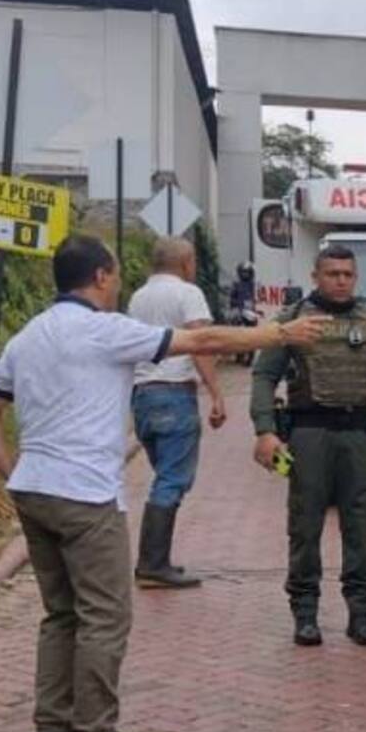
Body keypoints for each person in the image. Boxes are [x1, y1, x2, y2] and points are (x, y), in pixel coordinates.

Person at [0, 234, 325, 732]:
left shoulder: (30, 334)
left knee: (60, 614)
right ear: (103, 277)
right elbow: (201, 337)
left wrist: (13, 471)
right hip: (84, 495)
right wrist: (280, 332)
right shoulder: (103, 331)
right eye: (113, 277)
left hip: (34, 492)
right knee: (104, 617)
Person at [250, 243, 366, 647]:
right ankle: (305, 613)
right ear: (316, 276)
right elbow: (263, 376)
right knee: (305, 526)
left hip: (360, 434)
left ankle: (361, 614)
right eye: (332, 274)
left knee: (361, 527)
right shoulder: (292, 321)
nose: (341, 281)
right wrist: (265, 430)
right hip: (310, 434)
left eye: (347, 274)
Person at [128, 237, 226, 588]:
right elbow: (202, 344)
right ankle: (152, 564)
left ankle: (157, 560)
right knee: (171, 480)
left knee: (164, 476)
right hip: (174, 393)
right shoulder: (188, 294)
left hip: (142, 395)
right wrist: (216, 393)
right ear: (186, 263)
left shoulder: (137, 297)